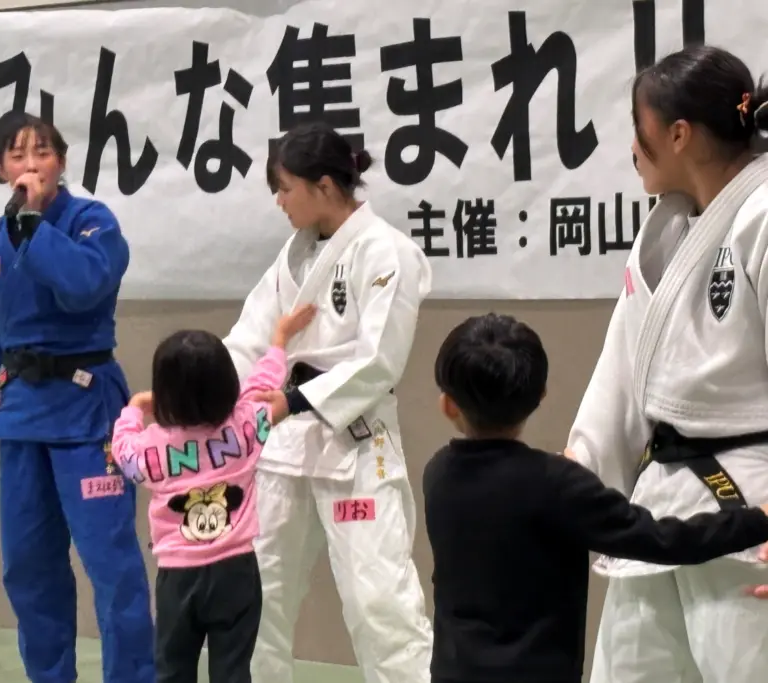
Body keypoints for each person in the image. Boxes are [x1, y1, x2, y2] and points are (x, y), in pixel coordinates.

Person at [563, 45, 768, 683]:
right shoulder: (665, 232)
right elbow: (622, 375)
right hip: (656, 514)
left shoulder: (762, 216)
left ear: (677, 134)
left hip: (751, 512)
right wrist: (576, 483)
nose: (633, 146)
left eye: (639, 128)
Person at [0, 110, 154, 683]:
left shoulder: (92, 222)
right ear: (1, 167)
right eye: (18, 154)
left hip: (87, 411)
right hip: (23, 414)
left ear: (61, 162)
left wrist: (33, 227)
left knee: (110, 564)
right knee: (29, 567)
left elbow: (83, 286)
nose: (32, 164)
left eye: (43, 153)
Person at [425, 312, 768, 683]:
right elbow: (662, 539)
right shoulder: (556, 485)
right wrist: (758, 519)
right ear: (541, 395)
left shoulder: (438, 472)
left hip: (452, 671)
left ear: (447, 404)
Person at [222, 121, 435, 683]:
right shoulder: (291, 259)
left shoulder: (388, 251)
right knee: (259, 597)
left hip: (354, 441)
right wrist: (190, 397)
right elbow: (248, 340)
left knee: (378, 600)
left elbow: (379, 359)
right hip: (283, 447)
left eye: (285, 187)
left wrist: (292, 401)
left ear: (322, 186)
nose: (278, 201)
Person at [110, 304, 315, 683]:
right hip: (237, 572)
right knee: (234, 671)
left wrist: (135, 409)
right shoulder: (246, 425)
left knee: (172, 669)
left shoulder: (151, 449)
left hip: (178, 577)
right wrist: (279, 340)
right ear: (227, 386)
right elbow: (263, 386)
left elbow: (123, 451)